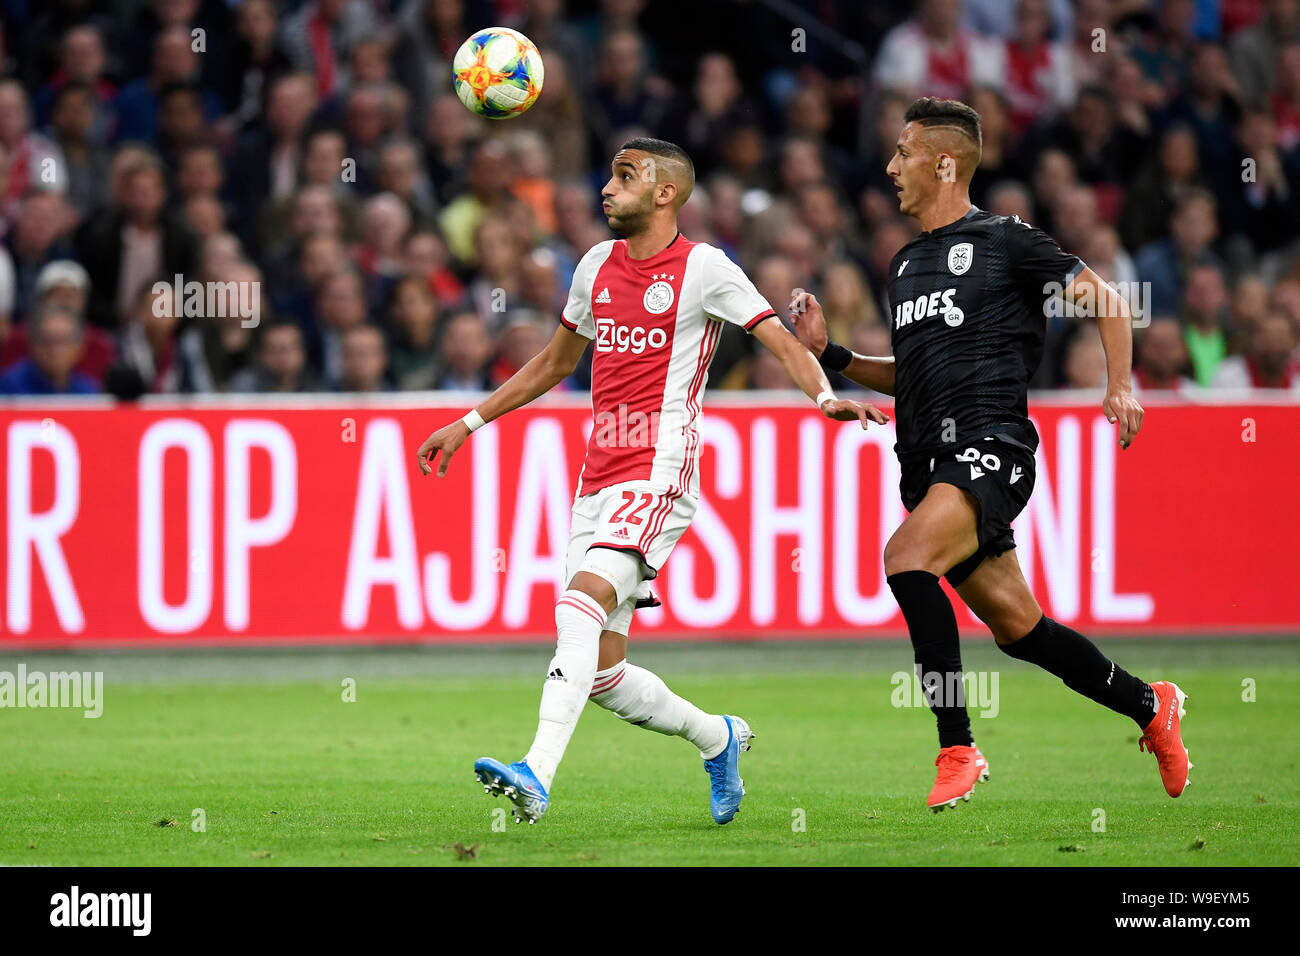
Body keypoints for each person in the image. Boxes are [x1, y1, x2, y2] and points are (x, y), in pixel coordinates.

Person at [415, 137, 884, 825]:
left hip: (661, 470)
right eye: (610, 174)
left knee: (577, 606)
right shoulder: (596, 265)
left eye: (625, 176)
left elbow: (780, 339)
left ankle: (535, 774)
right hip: (597, 477)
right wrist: (470, 421)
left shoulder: (705, 269)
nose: (608, 188)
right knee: (602, 673)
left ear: (665, 193)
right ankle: (718, 737)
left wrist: (824, 398)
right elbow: (553, 363)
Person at [792, 98, 1191, 812]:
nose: (890, 166)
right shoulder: (905, 264)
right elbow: (909, 371)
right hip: (924, 466)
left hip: (991, 449)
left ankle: (958, 746)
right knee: (1019, 629)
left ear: (945, 162)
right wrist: (833, 353)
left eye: (904, 151)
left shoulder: (1007, 240)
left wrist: (1121, 386)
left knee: (905, 558)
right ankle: (1151, 705)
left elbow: (1105, 301)